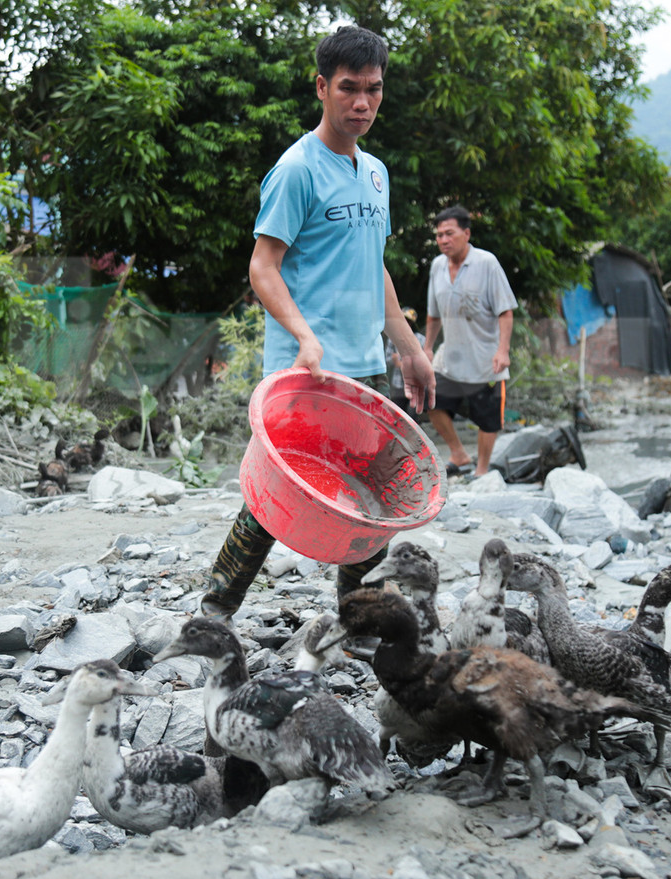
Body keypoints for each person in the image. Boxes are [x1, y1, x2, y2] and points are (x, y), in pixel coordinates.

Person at [199, 25, 435, 621]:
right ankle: (214, 612)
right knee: (276, 500)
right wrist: (305, 336)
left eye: (373, 90)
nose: (362, 103)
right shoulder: (296, 170)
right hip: (306, 370)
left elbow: (371, 263)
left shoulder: (377, 174)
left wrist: (407, 344)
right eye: (349, 89)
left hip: (365, 366)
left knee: (374, 497)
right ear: (322, 87)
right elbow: (263, 268)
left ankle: (357, 617)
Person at [422, 205, 517, 478]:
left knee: (488, 417)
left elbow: (506, 311)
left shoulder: (486, 263)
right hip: (449, 356)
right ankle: (458, 453)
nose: (443, 240)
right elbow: (433, 314)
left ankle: (482, 471)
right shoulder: (437, 266)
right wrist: (427, 347)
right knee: (432, 402)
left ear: (466, 233)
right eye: (439, 235)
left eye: (449, 233)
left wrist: (503, 350)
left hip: (485, 357)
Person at [383, 307, 426, 415]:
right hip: (398, 384)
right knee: (397, 415)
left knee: (412, 415)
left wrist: (401, 363)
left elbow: (425, 362)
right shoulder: (393, 338)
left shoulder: (420, 339)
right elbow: (387, 359)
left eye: (408, 321)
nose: (406, 323)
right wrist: (395, 361)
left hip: (416, 384)